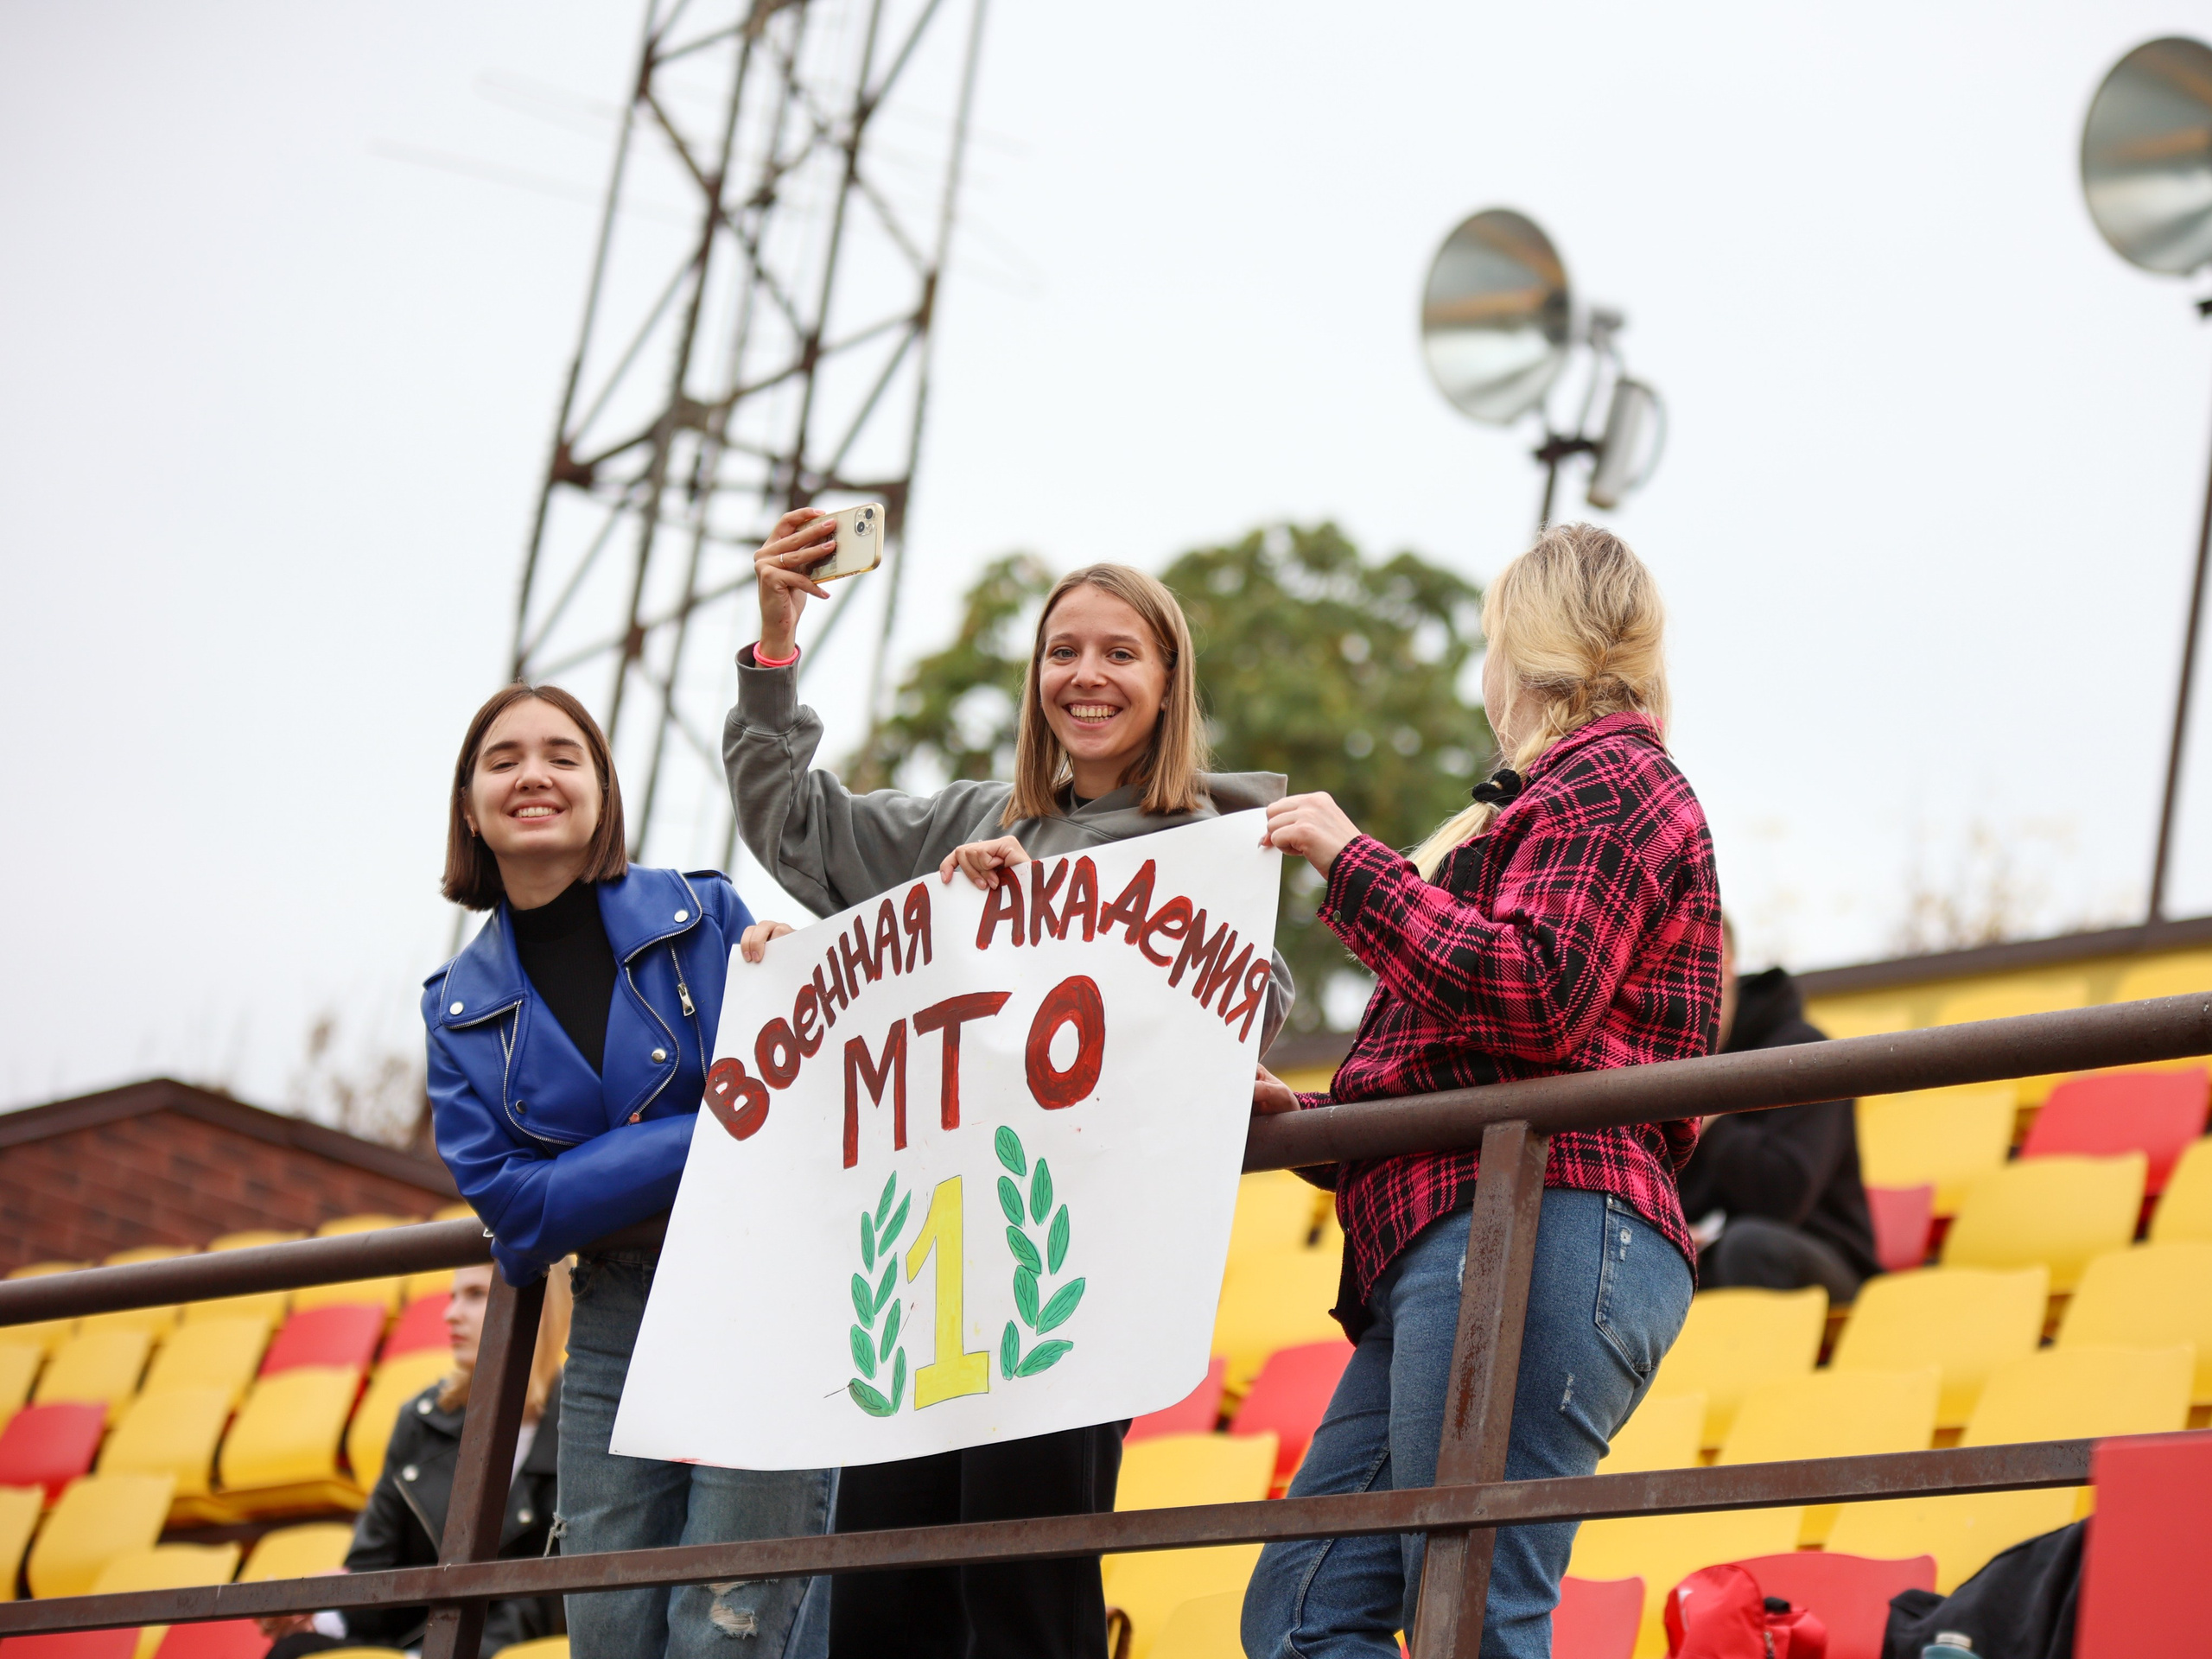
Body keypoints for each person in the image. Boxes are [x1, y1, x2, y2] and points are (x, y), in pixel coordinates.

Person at [725, 511, 1295, 1659]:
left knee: (1024, 1604)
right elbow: (798, 830)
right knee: (883, 1610)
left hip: (1068, 1283)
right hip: (922, 1282)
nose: (1087, 676)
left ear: (1169, 683)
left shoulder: (1213, 841)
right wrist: (776, 646)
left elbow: (1252, 1000)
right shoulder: (973, 821)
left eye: (1120, 653)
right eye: (1062, 651)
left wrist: (1036, 923)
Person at [1241, 524, 1722, 1659]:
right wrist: (1308, 1126)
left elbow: (1540, 996)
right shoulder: (1555, 794)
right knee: (1304, 1612)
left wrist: (1354, 863)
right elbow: (1482, 1060)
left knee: (1470, 1617)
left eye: (1489, 643)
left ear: (1525, 649)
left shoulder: (1612, 776)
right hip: (1473, 1228)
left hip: (1539, 1217)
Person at [423, 683, 830, 1659]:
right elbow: (515, 1215)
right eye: (504, 760)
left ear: (602, 790)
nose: (534, 776)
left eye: (563, 756)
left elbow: (784, 1112)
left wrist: (589, 1178)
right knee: (606, 1633)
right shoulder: (454, 1006)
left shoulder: (706, 916)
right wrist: (707, 1130)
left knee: (724, 1634)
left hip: (755, 1295)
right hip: (612, 1322)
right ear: (470, 807)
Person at [261, 1262, 574, 1659]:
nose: (450, 1313)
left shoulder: (577, 1434)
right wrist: (323, 1614)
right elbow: (376, 1566)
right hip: (409, 1643)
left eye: (476, 1295)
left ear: (539, 1307)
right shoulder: (420, 1420)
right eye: (453, 1296)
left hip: (499, 1649)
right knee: (295, 1650)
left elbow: (546, 1603)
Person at [1677, 918, 1880, 1299]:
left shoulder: (1804, 1053)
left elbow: (1784, 1197)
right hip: (1713, 1259)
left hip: (1823, 1258)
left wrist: (1712, 1120)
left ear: (1723, 965)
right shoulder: (1666, 1067)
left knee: (1747, 1247)